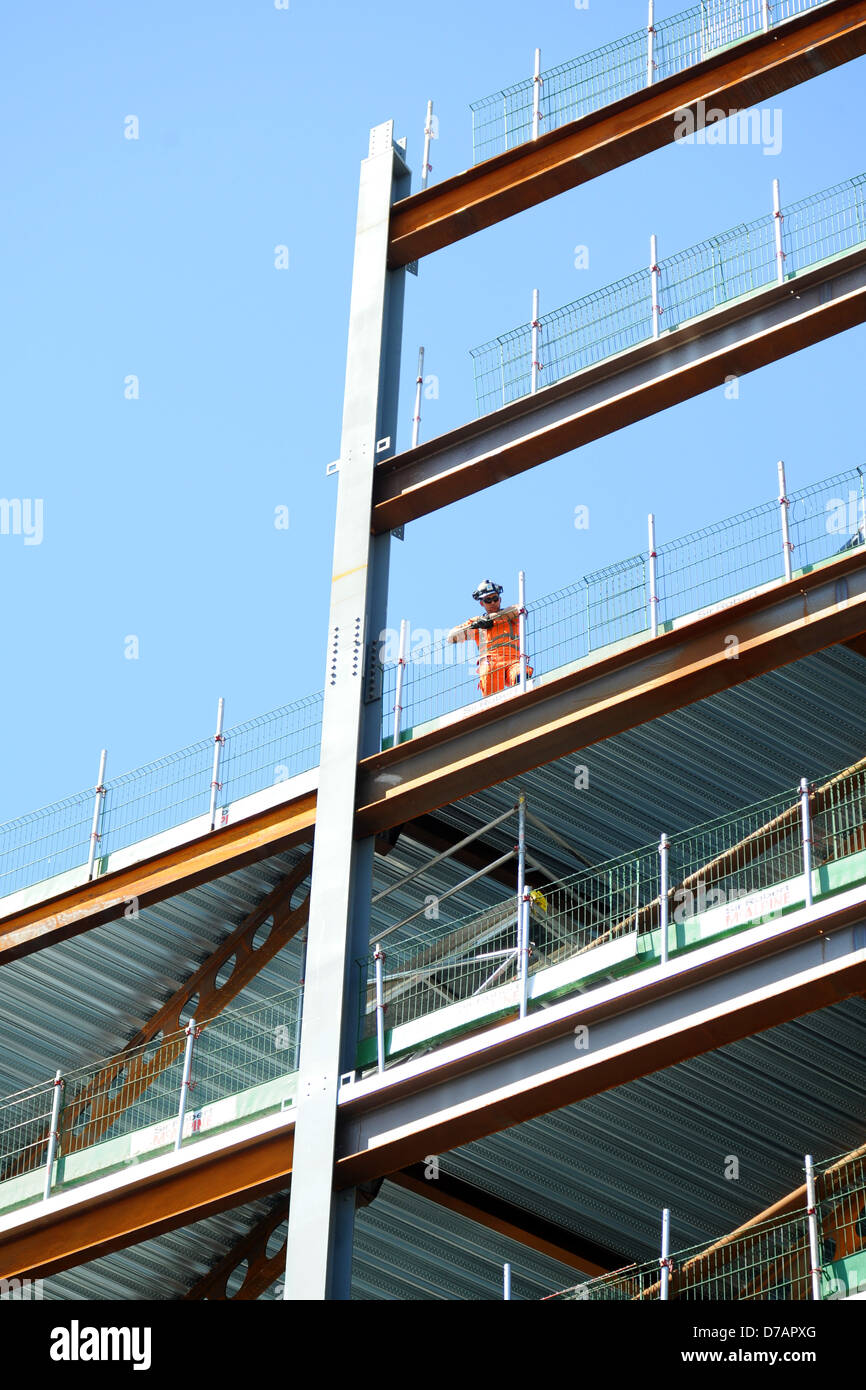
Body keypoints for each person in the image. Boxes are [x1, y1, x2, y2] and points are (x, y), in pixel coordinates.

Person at [447, 579, 533, 697]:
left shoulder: (509, 615)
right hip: (490, 663)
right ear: (482, 603)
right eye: (488, 600)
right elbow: (451, 637)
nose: (492, 602)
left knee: (522, 676)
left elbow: (519, 609)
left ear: (500, 599)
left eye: (495, 598)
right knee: (491, 696)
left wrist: (491, 619)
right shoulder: (477, 622)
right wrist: (474, 626)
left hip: (513, 661)